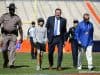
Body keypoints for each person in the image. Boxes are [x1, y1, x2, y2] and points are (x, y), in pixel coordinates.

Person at [0, 3, 23, 68]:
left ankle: (11, 64)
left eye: (13, 9)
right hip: (5, 35)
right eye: (10, 9)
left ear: (14, 10)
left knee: (12, 49)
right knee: (4, 49)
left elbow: (20, 28)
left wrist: (21, 37)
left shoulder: (17, 18)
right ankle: (6, 60)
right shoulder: (4, 16)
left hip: (13, 35)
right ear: (9, 9)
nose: (12, 10)